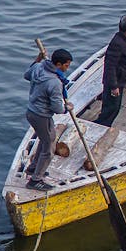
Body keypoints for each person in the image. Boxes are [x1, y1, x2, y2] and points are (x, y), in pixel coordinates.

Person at [23, 47, 75, 191]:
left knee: (47, 139)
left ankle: (34, 168)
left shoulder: (38, 67)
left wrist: (38, 59)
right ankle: (36, 180)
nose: (67, 68)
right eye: (66, 65)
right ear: (58, 64)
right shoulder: (55, 82)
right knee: (49, 149)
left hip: (31, 112)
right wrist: (68, 108)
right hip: (42, 116)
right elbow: (58, 108)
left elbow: (27, 75)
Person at [95, 14, 126, 128]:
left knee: (114, 107)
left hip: (120, 79)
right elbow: (110, 66)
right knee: (111, 108)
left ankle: (104, 125)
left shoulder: (125, 40)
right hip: (114, 82)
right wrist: (114, 86)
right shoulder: (117, 43)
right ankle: (100, 126)